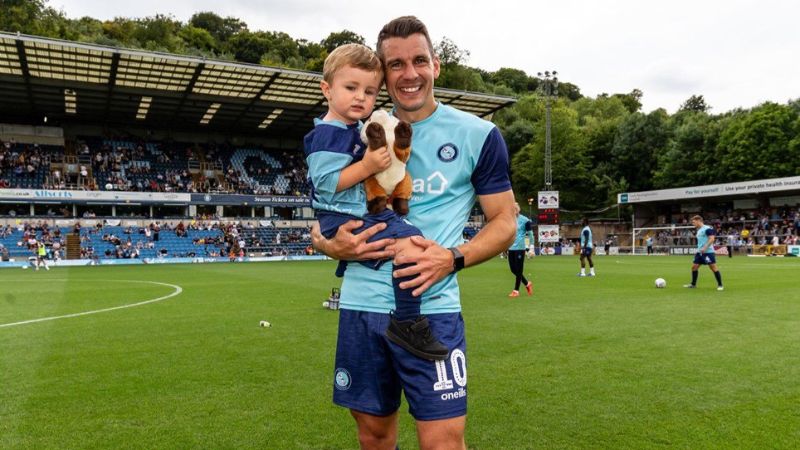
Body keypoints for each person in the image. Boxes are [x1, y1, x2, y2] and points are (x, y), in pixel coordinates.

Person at [311, 16, 515, 450]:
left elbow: (505, 222)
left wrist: (452, 257)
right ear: (382, 75)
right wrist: (328, 243)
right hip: (361, 307)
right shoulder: (352, 132)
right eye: (396, 64)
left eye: (419, 60)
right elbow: (325, 202)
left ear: (436, 65)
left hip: (432, 311)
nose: (409, 74)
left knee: (443, 442)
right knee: (373, 436)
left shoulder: (479, 135)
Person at [304, 43, 447, 361]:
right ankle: (407, 322)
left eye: (369, 92)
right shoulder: (326, 134)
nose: (360, 97)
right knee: (413, 246)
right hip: (344, 217)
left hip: (359, 213)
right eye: (351, 87)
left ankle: (406, 317)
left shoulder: (353, 128)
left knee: (414, 241)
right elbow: (326, 186)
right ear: (327, 89)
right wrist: (368, 166)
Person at [683, 215, 724, 290]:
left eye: (694, 222)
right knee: (694, 267)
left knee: (713, 268)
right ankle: (693, 284)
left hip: (708, 252)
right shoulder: (699, 230)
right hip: (700, 252)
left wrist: (705, 247)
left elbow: (712, 239)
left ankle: (720, 285)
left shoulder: (707, 228)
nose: (693, 224)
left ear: (698, 220)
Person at [507, 202, 533, 297]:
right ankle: (527, 283)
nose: (514, 211)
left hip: (520, 248)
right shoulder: (509, 220)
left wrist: (531, 247)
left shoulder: (525, 220)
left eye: (515, 209)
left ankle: (516, 291)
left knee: (519, 270)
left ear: (518, 209)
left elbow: (530, 234)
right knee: (513, 269)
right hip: (510, 247)